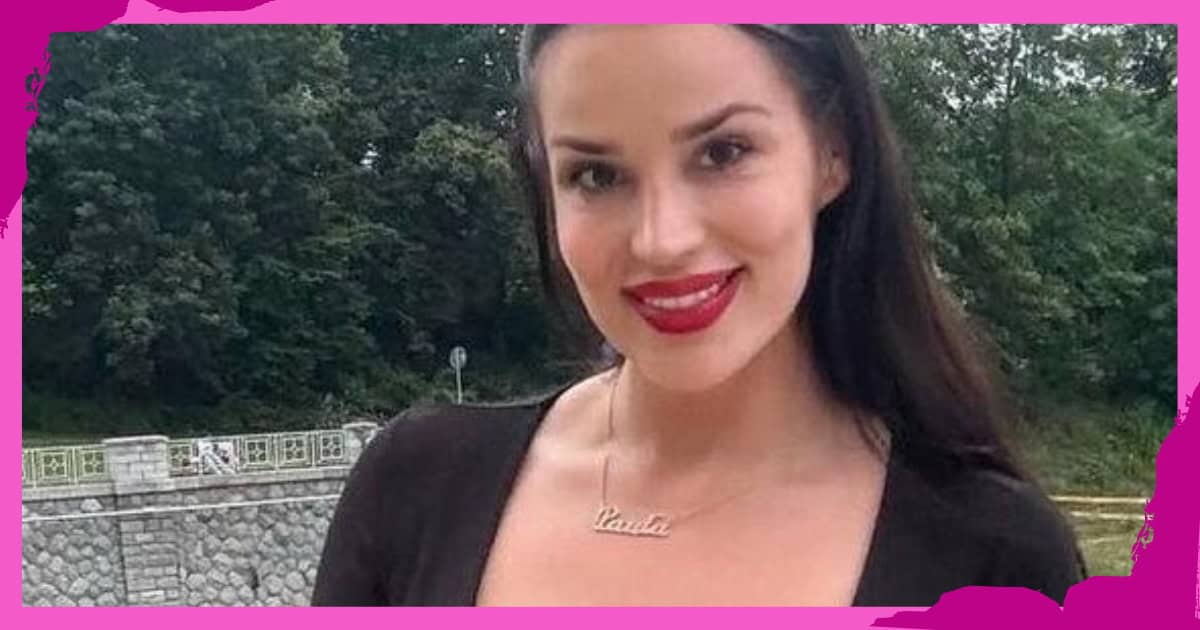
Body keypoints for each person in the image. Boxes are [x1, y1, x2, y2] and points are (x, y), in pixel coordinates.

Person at [311, 24, 1085, 607]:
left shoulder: (996, 561)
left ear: (831, 153)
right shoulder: (413, 490)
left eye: (722, 153)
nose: (662, 239)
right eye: (596, 175)